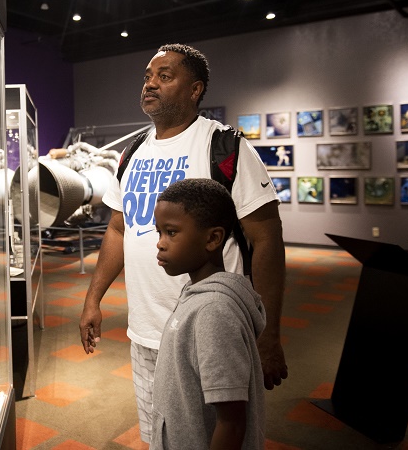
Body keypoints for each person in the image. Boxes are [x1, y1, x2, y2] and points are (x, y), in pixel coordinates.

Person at [80, 43, 287, 442]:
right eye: (147, 76)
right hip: (145, 330)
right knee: (159, 435)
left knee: (218, 434)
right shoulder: (132, 152)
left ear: (195, 89)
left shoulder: (225, 148)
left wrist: (270, 334)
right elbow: (118, 231)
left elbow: (267, 239)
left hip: (210, 329)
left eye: (164, 76)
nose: (150, 84)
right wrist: (94, 299)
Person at [151, 178, 265, 449]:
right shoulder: (196, 292)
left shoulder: (214, 312)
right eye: (159, 233)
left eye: (172, 232)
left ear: (213, 238)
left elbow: (232, 422)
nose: (160, 244)